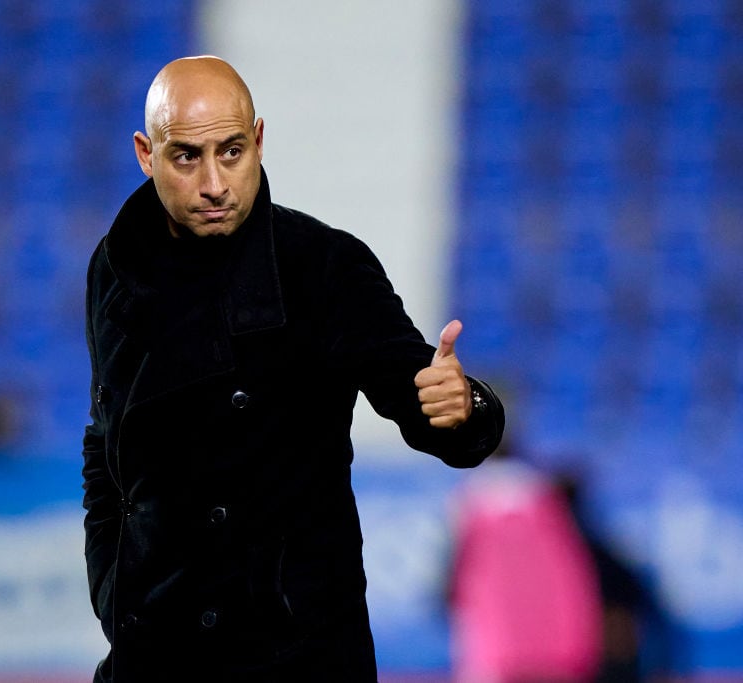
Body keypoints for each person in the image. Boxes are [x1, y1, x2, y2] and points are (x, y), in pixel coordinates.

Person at [81, 55, 505, 683]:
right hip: (156, 651)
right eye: (187, 158)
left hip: (295, 653)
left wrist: (465, 405)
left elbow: (419, 395)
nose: (215, 184)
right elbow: (107, 448)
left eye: (230, 152)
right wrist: (115, 598)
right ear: (147, 155)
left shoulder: (322, 265)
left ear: (257, 140)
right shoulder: (113, 272)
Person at [446, 444, 603, 683]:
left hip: (497, 644)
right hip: (558, 646)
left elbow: (454, 579)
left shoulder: (471, 503)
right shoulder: (551, 502)